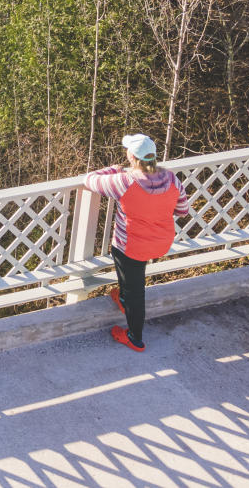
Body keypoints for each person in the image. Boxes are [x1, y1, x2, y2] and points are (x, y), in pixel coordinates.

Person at [82, 133, 189, 352]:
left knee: (135, 292)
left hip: (131, 245)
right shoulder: (171, 178)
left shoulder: (124, 181)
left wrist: (112, 169)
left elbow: (89, 180)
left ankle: (134, 337)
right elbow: (183, 210)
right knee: (132, 277)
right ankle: (122, 297)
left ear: (131, 156)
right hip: (160, 241)